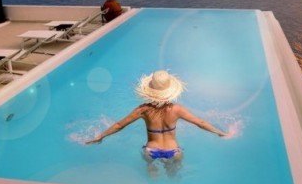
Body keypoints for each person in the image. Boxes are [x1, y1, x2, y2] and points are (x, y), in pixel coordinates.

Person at [85, 70, 227, 163]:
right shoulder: (177, 109)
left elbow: (119, 125)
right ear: (170, 91)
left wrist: (100, 136)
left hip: (151, 151)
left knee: (152, 178)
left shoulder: (144, 110)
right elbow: (201, 123)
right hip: (174, 151)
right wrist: (220, 132)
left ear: (150, 91)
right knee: (173, 180)